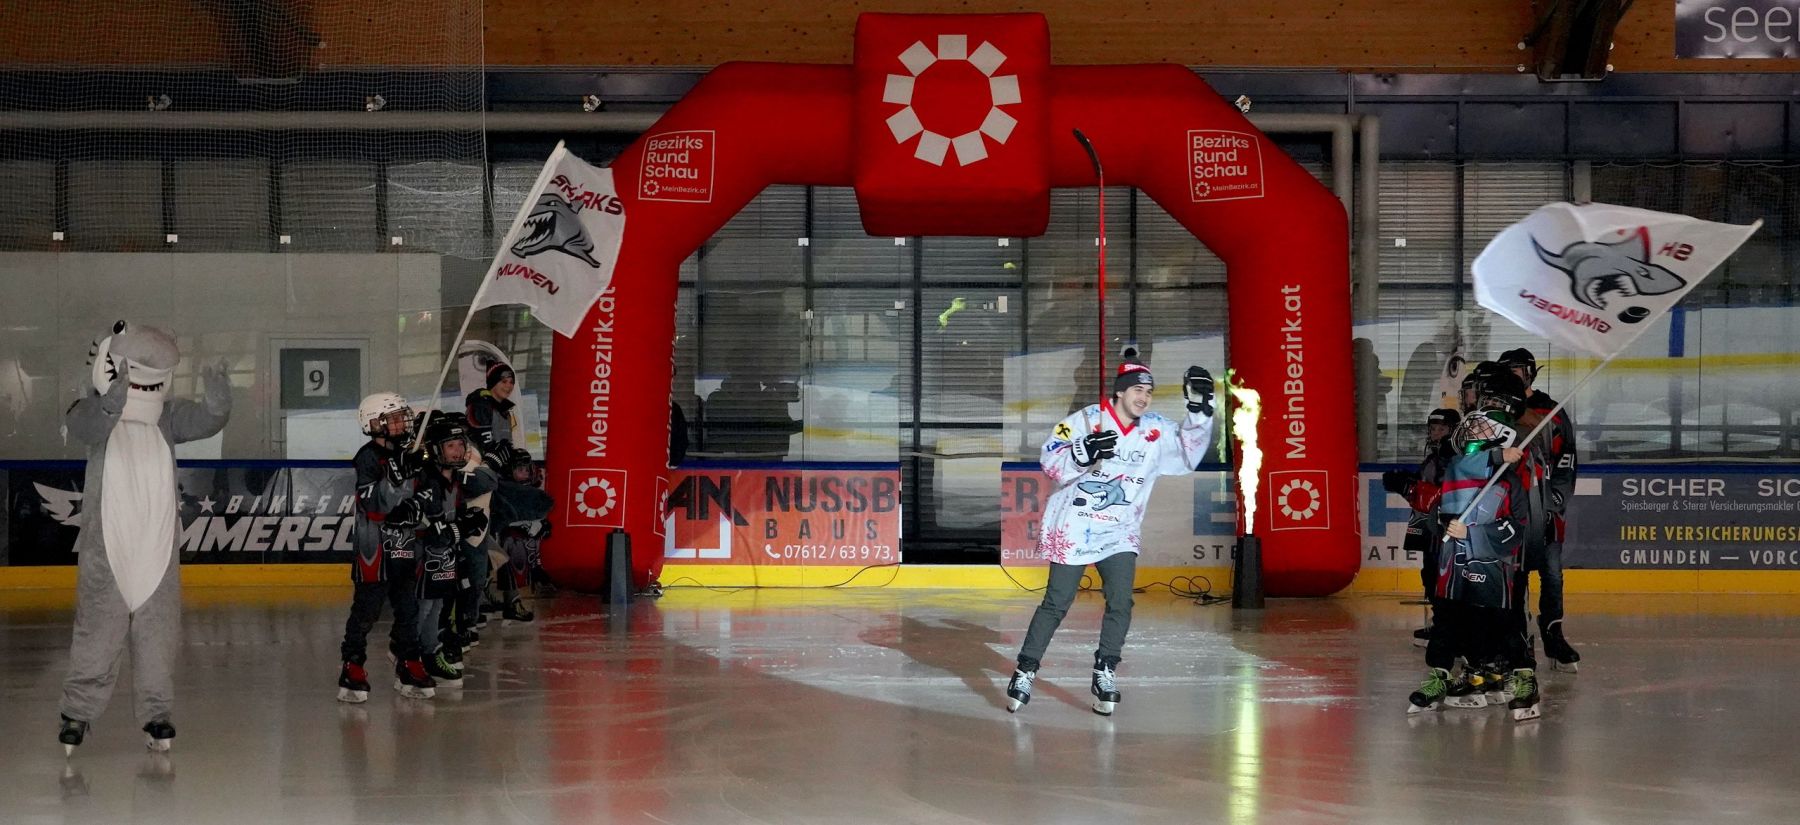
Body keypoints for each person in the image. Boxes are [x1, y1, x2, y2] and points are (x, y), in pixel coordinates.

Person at [1004, 362, 1216, 716]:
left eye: (1149, 392)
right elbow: (1050, 460)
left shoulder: (1155, 430)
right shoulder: (1087, 421)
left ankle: (1105, 670)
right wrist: (1083, 451)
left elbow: (1187, 453)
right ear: (1120, 391)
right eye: (1137, 390)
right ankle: (1025, 670)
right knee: (1056, 603)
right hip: (1074, 526)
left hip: (1120, 531)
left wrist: (1200, 411)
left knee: (1120, 602)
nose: (1144, 398)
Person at [58, 321, 230, 754]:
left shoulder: (167, 417)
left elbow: (204, 421)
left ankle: (157, 713)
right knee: (98, 630)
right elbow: (87, 427)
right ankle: (77, 712)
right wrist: (109, 405)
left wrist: (218, 404)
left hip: (156, 544)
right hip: (108, 546)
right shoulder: (86, 408)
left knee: (159, 632)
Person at [1408, 368, 1541, 722]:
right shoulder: (1462, 462)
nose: (1474, 427)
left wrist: (1474, 535)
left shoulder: (1512, 474)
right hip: (1455, 560)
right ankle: (1445, 675)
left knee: (1504, 616)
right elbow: (1457, 464)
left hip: (1494, 561)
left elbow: (1517, 526)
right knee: (1449, 616)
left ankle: (1522, 677)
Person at [336, 392, 436, 704]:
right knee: (367, 609)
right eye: (393, 418)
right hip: (374, 549)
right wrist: (396, 477)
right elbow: (372, 502)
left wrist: (417, 505)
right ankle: (352, 663)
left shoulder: (411, 452)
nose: (401, 423)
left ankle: (408, 660)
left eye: (401, 417)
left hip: (404, 544)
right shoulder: (367, 457)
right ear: (374, 423)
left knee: (408, 608)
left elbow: (427, 490)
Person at [387, 412, 496, 689]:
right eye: (450, 445)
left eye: (460, 444)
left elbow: (451, 517)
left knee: (438, 606)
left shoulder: (454, 478)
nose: (458, 450)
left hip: (442, 557)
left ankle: (430, 652)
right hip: (421, 556)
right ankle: (406, 658)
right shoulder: (426, 479)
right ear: (436, 450)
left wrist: (466, 520)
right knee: (422, 607)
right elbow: (431, 528)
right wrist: (461, 527)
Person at [1496, 348, 1581, 672]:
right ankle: (1518, 640)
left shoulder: (1551, 410)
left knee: (1552, 573)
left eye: (1517, 370)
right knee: (1514, 577)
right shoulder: (1499, 410)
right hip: (1513, 509)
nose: (1513, 376)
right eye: (1507, 371)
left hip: (1546, 508)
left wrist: (1555, 499)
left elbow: (1567, 458)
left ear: (1530, 372)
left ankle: (1553, 634)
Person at [1382, 407, 1460, 647]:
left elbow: (1444, 493)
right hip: (1430, 526)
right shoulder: (1434, 457)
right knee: (1430, 574)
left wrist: (1410, 487)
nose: (1435, 433)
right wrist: (1406, 482)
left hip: (1444, 528)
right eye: (1433, 428)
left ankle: (1448, 630)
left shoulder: (1454, 458)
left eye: (1441, 429)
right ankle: (1442, 625)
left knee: (1440, 576)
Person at [489, 448, 551, 623]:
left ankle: (512, 599)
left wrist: (537, 525)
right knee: (511, 548)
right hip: (497, 540)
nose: (524, 473)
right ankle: (509, 601)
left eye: (527, 469)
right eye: (520, 469)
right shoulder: (502, 489)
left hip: (517, 543)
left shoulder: (529, 491)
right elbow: (502, 518)